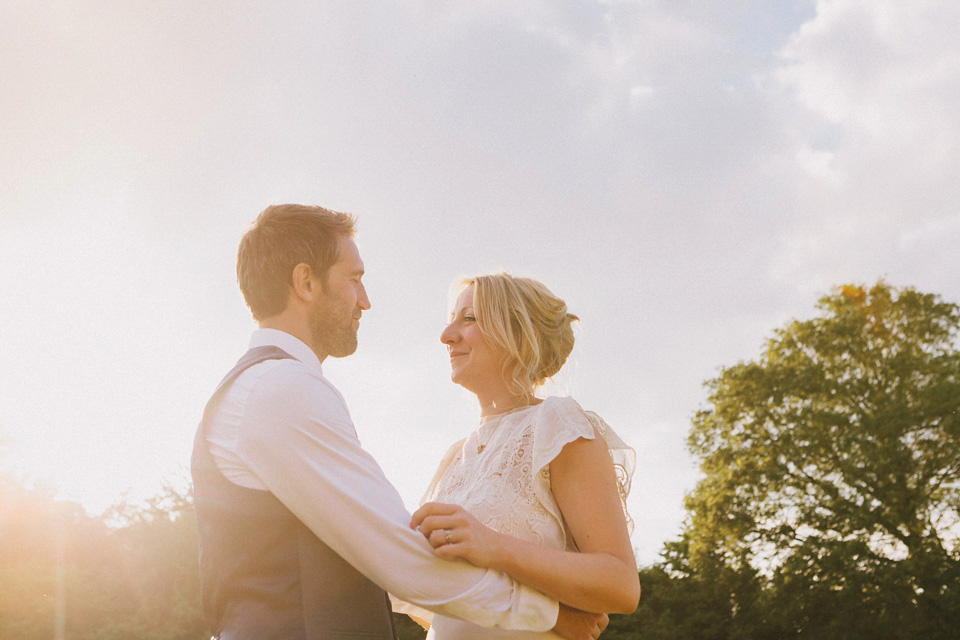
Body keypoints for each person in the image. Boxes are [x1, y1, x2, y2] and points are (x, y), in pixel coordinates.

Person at [191, 204, 607, 640]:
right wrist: (549, 615)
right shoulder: (281, 388)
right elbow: (396, 553)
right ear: (305, 282)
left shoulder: (263, 386)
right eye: (354, 279)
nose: (365, 300)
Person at [396, 274, 640, 639]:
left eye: (469, 318)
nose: (446, 335)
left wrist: (493, 545)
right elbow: (432, 597)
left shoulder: (558, 426)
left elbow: (620, 585)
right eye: (451, 319)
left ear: (521, 337)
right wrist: (549, 615)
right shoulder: (453, 459)